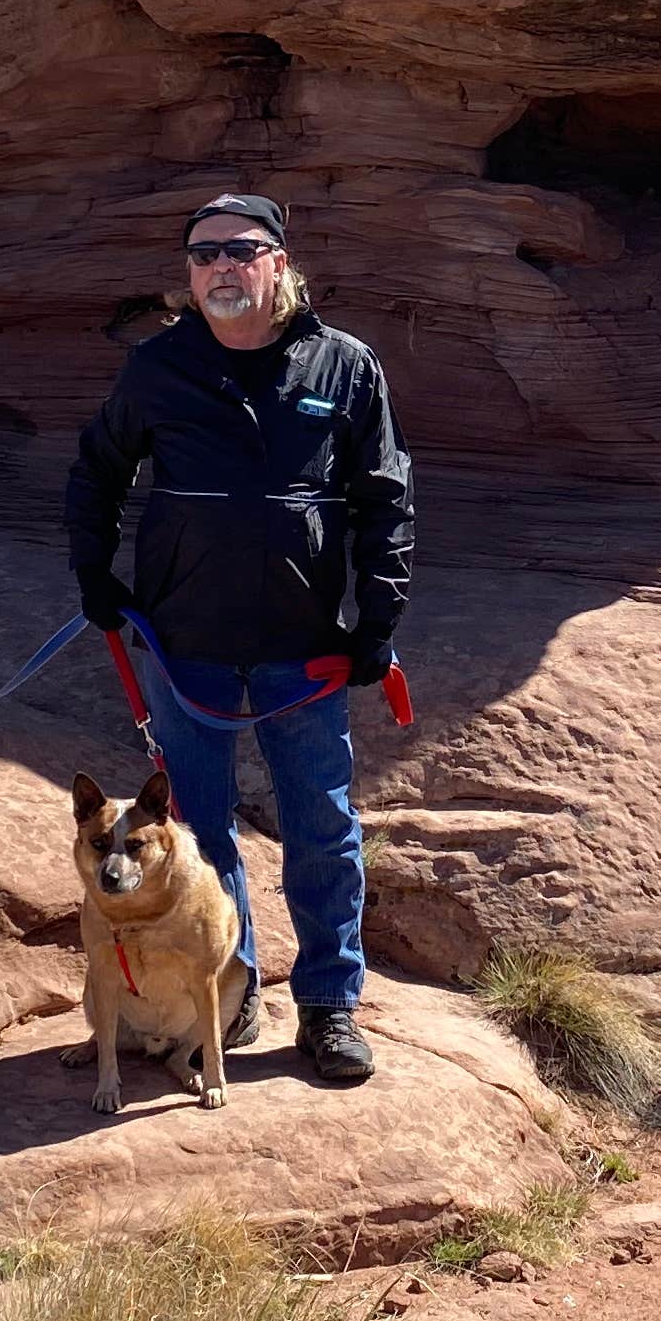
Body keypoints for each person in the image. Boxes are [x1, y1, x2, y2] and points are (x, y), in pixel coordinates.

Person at [65, 193, 412, 1087]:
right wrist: (95, 577)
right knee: (197, 831)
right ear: (188, 275)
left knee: (322, 828)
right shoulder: (159, 368)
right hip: (189, 642)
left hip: (306, 642)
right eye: (204, 253)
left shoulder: (344, 366)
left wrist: (379, 619)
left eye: (241, 250)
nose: (222, 266)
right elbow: (98, 471)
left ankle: (331, 1009)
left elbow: (385, 500)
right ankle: (234, 988)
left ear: (279, 262)